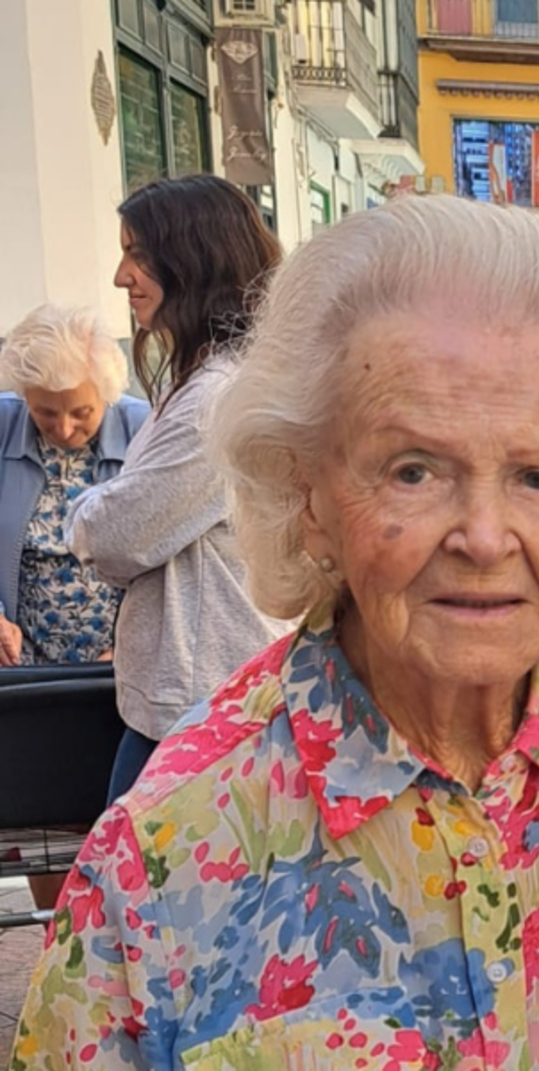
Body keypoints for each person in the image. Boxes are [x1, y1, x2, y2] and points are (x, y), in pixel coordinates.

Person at [13, 194, 539, 1070]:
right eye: (413, 470)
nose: (484, 537)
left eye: (537, 476)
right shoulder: (163, 851)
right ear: (309, 496)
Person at [70, 174, 289, 803]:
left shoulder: (214, 400)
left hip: (202, 710)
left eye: (137, 254)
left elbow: (116, 537)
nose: (121, 276)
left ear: (192, 259)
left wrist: (86, 511)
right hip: (200, 700)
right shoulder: (209, 382)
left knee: (132, 893)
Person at [0, 304, 150, 666]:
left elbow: (171, 557)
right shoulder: (4, 423)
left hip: (122, 663)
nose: (64, 429)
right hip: (18, 667)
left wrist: (135, 644)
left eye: (82, 413)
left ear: (108, 395)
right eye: (45, 413)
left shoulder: (145, 429)